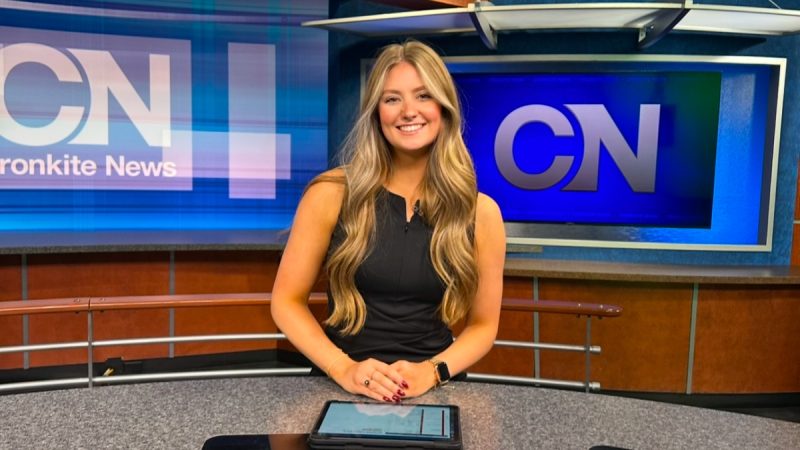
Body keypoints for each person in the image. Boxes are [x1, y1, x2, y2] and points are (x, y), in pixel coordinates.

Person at [271, 40, 505, 403]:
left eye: (423, 96)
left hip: (434, 387)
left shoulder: (481, 213)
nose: (408, 111)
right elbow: (286, 301)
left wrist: (432, 372)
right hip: (339, 384)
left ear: (444, 108)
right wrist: (343, 368)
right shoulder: (331, 193)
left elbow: (483, 326)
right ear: (377, 113)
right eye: (392, 99)